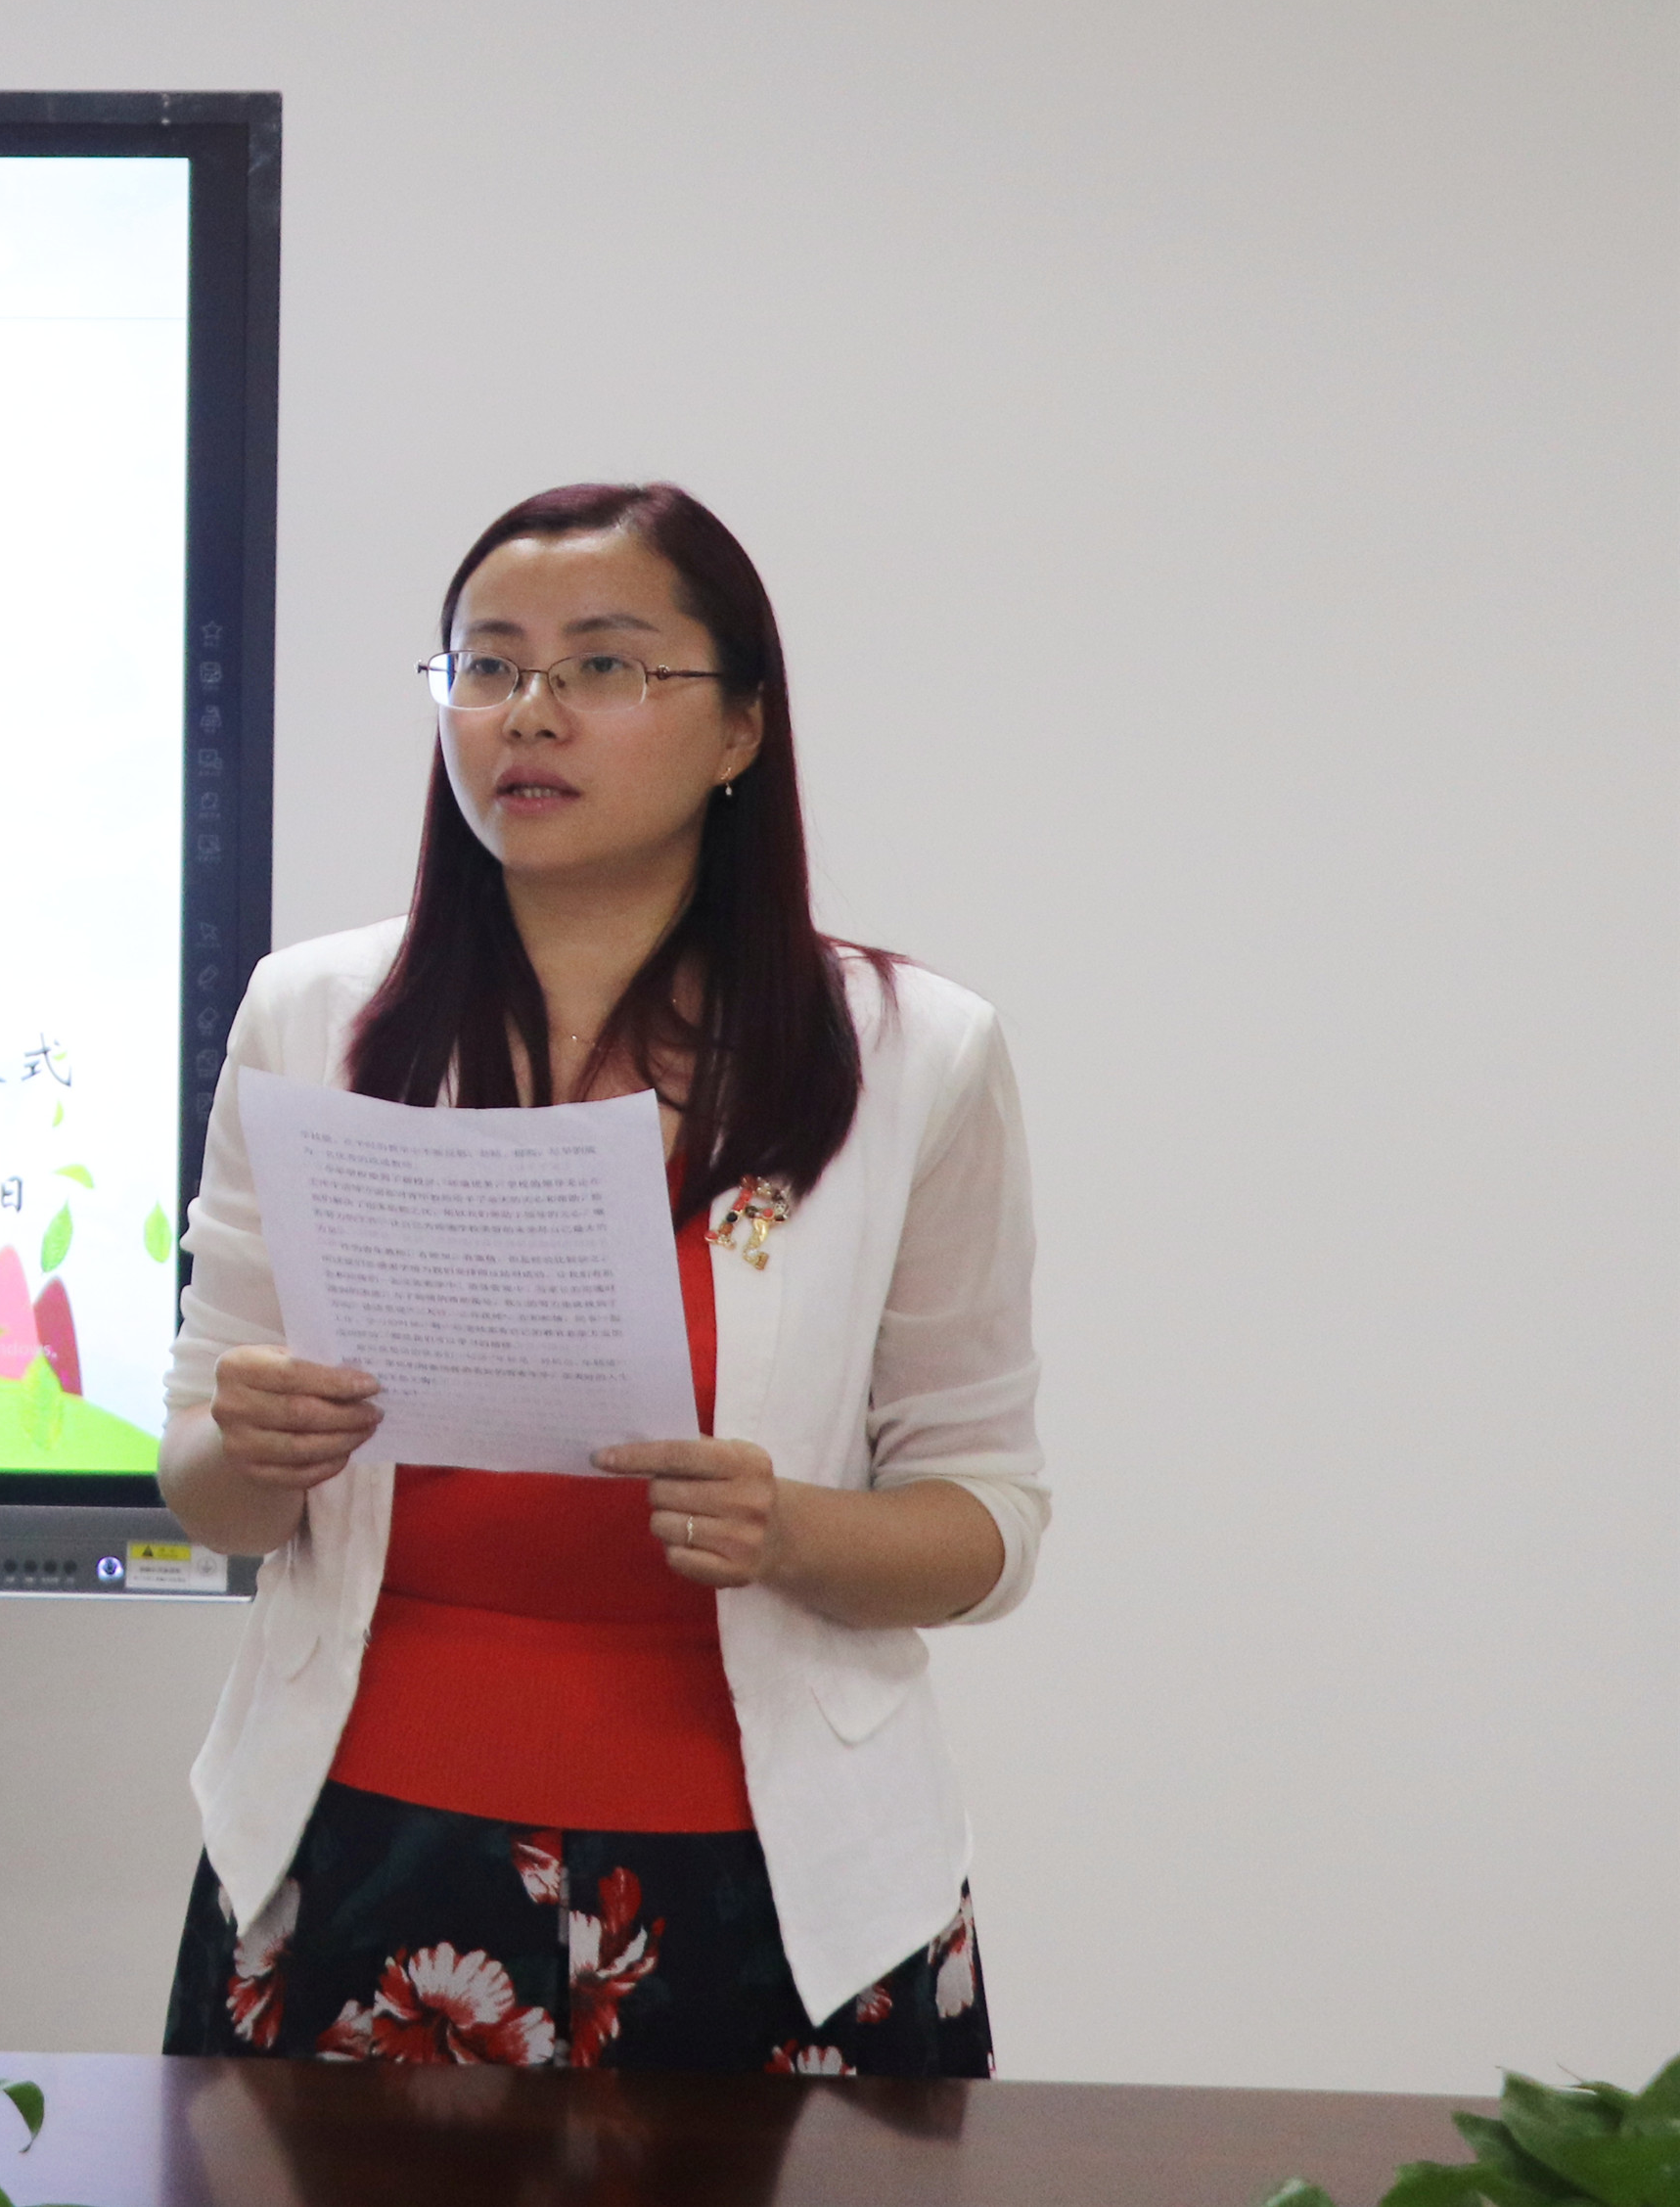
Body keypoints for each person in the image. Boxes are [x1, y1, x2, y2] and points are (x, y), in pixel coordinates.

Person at [158, 483, 1043, 2078]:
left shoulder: (913, 1053)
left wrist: (793, 1527)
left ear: (740, 727)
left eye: (604, 666)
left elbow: (988, 1518)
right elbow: (204, 1486)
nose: (530, 712)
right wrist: (255, 1445)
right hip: (352, 1843)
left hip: (780, 1882)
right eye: (488, 665)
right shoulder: (313, 1016)